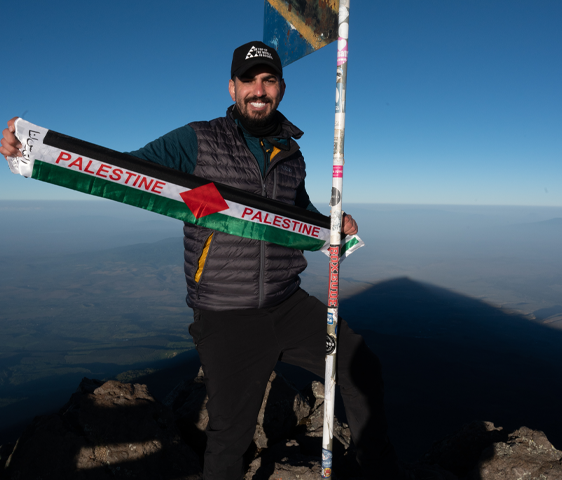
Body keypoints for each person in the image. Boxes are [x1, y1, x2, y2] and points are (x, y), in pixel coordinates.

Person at [2, 41, 404, 480]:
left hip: (289, 303)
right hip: (226, 316)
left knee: (360, 364)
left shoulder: (292, 153)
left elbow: (296, 218)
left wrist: (332, 227)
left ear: (281, 89)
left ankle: (377, 471)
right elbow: (126, 170)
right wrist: (32, 153)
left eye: (269, 80)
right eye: (248, 80)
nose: (259, 89)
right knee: (230, 435)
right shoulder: (197, 139)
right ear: (232, 87)